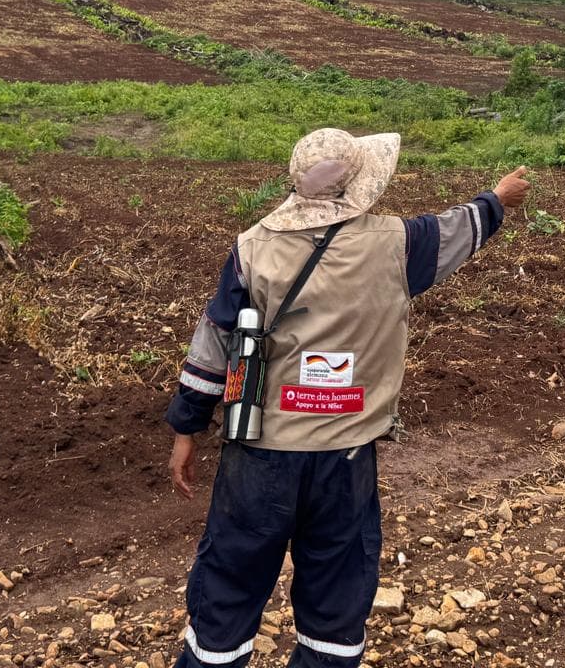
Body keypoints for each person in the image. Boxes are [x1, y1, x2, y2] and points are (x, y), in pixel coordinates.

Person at [165, 127, 531, 668]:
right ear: (360, 183)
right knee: (337, 592)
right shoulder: (400, 243)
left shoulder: (252, 247)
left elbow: (213, 345)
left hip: (261, 450)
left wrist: (185, 428)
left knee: (229, 584)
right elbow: (464, 226)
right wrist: (499, 199)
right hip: (347, 455)